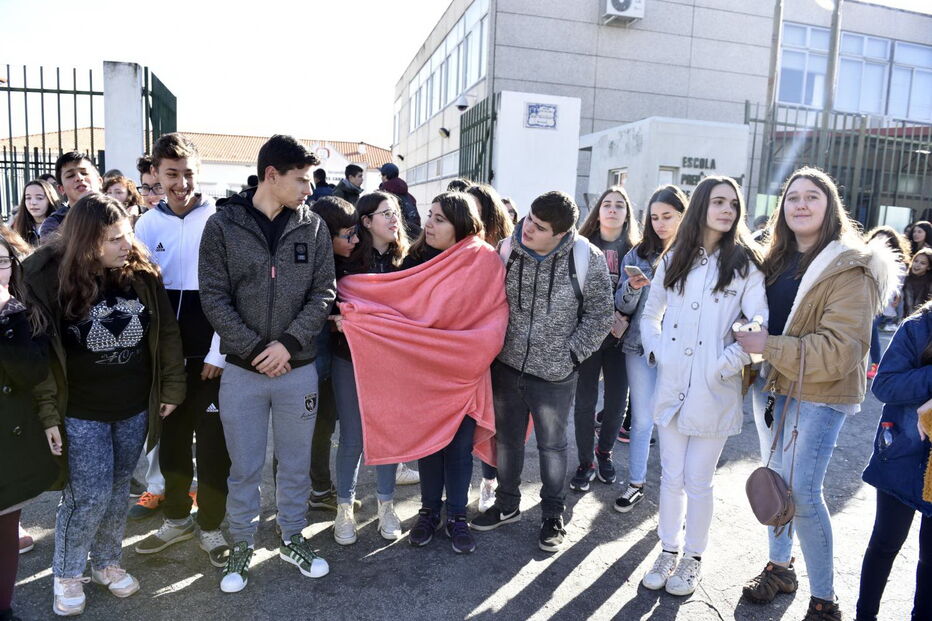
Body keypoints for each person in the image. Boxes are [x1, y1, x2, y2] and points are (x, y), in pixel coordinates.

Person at [736, 167, 900, 621]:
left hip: (822, 393)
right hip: (773, 385)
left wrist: (766, 345)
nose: (801, 205)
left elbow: (842, 350)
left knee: (804, 493)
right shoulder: (773, 262)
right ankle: (779, 568)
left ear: (831, 207)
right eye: (792, 197)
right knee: (775, 482)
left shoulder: (852, 267)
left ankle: (825, 601)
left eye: (812, 197)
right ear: (781, 207)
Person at [23, 194, 186, 617]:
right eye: (113, 239)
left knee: (116, 493)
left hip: (133, 405)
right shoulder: (46, 277)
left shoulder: (141, 273)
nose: (125, 245)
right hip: (79, 410)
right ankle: (67, 573)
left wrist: (171, 386)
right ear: (86, 241)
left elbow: (166, 332)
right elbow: (37, 355)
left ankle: (108, 563)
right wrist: (45, 414)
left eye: (127, 234)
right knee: (88, 495)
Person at [198, 134, 335, 593]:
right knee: (245, 465)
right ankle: (242, 543)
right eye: (301, 179)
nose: (308, 189)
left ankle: (292, 535)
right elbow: (213, 296)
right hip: (242, 370)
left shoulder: (313, 227)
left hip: (298, 370)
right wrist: (258, 348)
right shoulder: (222, 225)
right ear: (271, 175)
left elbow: (324, 293)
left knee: (295, 462)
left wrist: (289, 343)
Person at [639, 176, 766, 597]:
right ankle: (667, 548)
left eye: (733, 203)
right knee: (670, 475)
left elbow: (758, 326)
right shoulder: (676, 256)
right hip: (672, 382)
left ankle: (693, 557)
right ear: (701, 206)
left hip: (715, 391)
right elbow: (650, 314)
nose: (727, 210)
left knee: (698, 479)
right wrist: (659, 352)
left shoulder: (744, 263)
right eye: (718, 202)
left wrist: (722, 365)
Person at [471, 191, 614, 552]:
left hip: (555, 375)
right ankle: (507, 505)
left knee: (552, 447)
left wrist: (570, 355)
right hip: (506, 366)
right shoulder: (507, 248)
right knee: (506, 442)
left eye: (539, 226)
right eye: (529, 218)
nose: (527, 227)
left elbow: (600, 315)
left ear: (561, 234)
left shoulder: (586, 257)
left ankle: (553, 515)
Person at [131, 133, 231, 568]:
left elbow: (234, 294)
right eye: (171, 174)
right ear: (156, 174)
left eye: (188, 173)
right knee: (170, 441)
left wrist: (219, 352)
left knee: (212, 446)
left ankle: (211, 526)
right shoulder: (146, 224)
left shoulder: (222, 219)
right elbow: (143, 296)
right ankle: (175, 518)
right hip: (167, 357)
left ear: (199, 172)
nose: (181, 182)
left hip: (212, 355)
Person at [397, 192, 502, 553]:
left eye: (439, 218)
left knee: (458, 448)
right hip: (425, 372)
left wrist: (462, 352)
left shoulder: (484, 260)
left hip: (466, 371)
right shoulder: (416, 257)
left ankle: (457, 514)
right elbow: (394, 303)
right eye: (429, 215)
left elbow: (493, 318)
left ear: (461, 225)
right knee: (429, 446)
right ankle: (429, 511)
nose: (428, 223)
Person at [330, 191, 407, 546]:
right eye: (386, 214)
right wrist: (337, 320)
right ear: (366, 221)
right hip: (349, 359)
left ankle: (386, 506)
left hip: (393, 363)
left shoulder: (408, 261)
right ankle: (344, 508)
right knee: (353, 437)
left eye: (396, 214)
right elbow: (327, 307)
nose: (394, 220)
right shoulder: (344, 264)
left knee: (390, 432)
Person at [856, 299, 932, 621]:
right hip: (901, 451)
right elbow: (884, 384)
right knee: (886, 541)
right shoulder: (917, 327)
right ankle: (865, 615)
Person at [614, 184, 687, 513]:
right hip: (640, 347)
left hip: (683, 350)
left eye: (667, 217)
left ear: (683, 216)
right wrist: (631, 286)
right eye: (655, 217)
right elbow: (621, 305)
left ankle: (680, 490)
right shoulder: (637, 254)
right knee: (642, 420)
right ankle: (636, 483)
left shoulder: (694, 255)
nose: (660, 223)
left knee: (679, 421)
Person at [0, 234, 59, 621]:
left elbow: (32, 373)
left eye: (2, 261)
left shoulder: (22, 312)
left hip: (9, 437)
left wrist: (7, 316)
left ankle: (3, 606)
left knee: (5, 529)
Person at [568, 186, 639, 493]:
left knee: (615, 403)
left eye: (619, 205)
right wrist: (601, 315)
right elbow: (571, 289)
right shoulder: (580, 245)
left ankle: (604, 452)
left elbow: (647, 293)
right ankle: (586, 462)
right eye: (607, 204)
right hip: (588, 334)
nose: (612, 209)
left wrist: (624, 319)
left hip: (621, 338)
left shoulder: (637, 249)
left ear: (627, 214)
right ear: (597, 212)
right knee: (584, 402)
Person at [304, 196, 359, 512]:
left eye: (355, 233)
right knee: (298, 435)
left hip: (329, 364)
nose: (354, 240)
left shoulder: (346, 262)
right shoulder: (306, 264)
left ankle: (321, 490)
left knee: (324, 428)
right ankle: (294, 504)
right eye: (347, 235)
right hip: (307, 362)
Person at [462, 184, 514, 509]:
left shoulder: (507, 250)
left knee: (494, 420)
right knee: (463, 421)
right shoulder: (459, 249)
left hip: (500, 348)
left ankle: (489, 482)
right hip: (464, 348)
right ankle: (455, 492)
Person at [865, 226, 911, 379]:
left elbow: (897, 286)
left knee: (870, 330)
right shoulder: (863, 256)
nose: (881, 242)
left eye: (885, 240)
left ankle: (876, 364)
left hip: (883, 304)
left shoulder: (899, 263)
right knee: (870, 333)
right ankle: (873, 364)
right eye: (877, 238)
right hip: (863, 301)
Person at [39, 152, 103, 239]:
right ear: (61, 189)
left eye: (84, 173)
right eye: (70, 176)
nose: (79, 178)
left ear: (99, 181)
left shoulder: (115, 212)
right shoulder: (54, 223)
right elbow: (54, 250)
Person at [11, 179, 60, 247]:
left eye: (39, 198)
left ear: (50, 199)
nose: (33, 203)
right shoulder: (19, 226)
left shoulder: (60, 224)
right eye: (28, 198)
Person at [378, 163, 422, 239]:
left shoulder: (385, 194)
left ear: (385, 176)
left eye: (381, 175)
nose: (381, 178)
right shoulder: (408, 195)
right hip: (415, 234)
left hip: (398, 235)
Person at [903, 249, 932, 317]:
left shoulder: (930, 283)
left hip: (923, 321)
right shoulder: (905, 278)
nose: (917, 265)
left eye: (923, 263)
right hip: (902, 320)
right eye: (915, 261)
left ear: (929, 267)